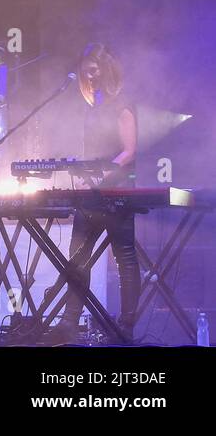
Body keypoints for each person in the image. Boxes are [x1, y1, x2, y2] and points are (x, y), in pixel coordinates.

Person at [55, 43, 140, 341]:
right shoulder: (91, 110)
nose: (89, 76)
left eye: (94, 70)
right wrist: (81, 175)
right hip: (91, 195)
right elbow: (91, 153)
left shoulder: (123, 105)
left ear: (107, 70)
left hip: (117, 192)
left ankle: (126, 326)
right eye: (85, 71)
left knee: (125, 257)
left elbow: (128, 152)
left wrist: (100, 175)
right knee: (76, 258)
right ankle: (69, 322)